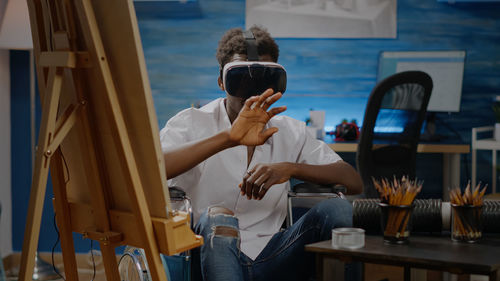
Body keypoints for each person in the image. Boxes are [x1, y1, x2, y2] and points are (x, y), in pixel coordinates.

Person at [160, 26, 363, 281]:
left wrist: (290, 168)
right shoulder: (191, 122)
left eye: (263, 78)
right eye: (241, 78)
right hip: (209, 255)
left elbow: (352, 181)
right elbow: (149, 172)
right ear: (222, 81)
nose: (252, 90)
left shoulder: (290, 131)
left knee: (337, 209)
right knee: (219, 218)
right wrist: (228, 138)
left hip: (272, 255)